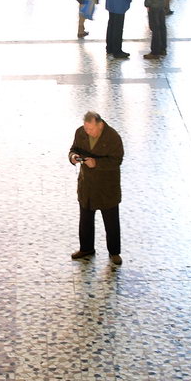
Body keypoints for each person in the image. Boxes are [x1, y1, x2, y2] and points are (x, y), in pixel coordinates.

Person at [68, 111, 123, 265]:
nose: (88, 132)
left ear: (100, 125)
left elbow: (117, 161)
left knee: (111, 222)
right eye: (86, 129)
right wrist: (72, 157)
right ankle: (86, 248)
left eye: (91, 129)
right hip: (87, 185)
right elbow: (73, 149)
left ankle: (114, 252)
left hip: (107, 187)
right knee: (85, 219)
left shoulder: (113, 137)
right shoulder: (80, 132)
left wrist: (97, 164)